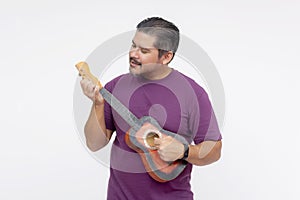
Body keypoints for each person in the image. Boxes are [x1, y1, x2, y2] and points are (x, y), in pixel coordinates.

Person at [79, 17, 222, 200]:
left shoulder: (192, 93)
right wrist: (98, 104)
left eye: (144, 50)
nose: (133, 54)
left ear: (166, 57)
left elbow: (214, 150)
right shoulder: (115, 87)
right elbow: (94, 143)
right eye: (133, 45)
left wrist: (184, 151)